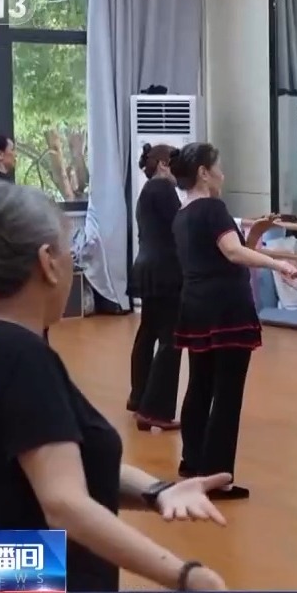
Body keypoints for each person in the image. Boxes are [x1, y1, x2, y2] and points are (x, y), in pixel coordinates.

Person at [0, 182, 228, 592]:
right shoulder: (20, 358)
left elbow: (66, 462)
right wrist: (186, 575)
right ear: (47, 263)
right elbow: (64, 502)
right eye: (68, 254)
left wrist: (158, 491)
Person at [170, 143, 297, 498]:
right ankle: (217, 476)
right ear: (203, 173)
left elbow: (231, 252)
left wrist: (255, 234)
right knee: (227, 394)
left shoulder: (182, 214)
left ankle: (193, 461)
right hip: (225, 308)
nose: (223, 174)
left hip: (196, 306)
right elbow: (231, 253)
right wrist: (280, 264)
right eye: (218, 168)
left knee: (200, 385)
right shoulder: (213, 208)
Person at [127, 144, 184, 431]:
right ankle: (155, 410)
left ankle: (139, 398)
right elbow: (182, 226)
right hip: (165, 270)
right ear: (163, 164)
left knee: (148, 333)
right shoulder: (163, 189)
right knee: (171, 338)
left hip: (147, 267)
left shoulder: (147, 191)